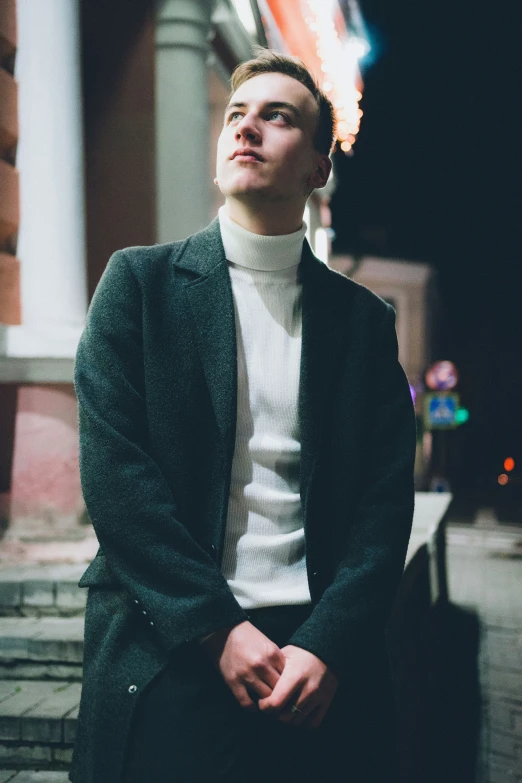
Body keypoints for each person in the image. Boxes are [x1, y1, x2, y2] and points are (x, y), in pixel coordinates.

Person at [69, 49, 416, 783]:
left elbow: (384, 504)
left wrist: (330, 642)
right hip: (176, 639)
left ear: (319, 168)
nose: (247, 127)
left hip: (314, 653)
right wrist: (217, 626)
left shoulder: (360, 322)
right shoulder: (139, 284)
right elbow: (116, 479)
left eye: (277, 116)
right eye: (236, 114)